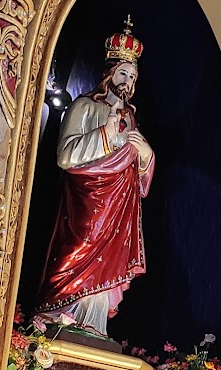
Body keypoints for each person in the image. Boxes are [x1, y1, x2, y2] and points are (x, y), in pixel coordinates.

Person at [35, 20, 155, 335]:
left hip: (118, 209)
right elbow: (65, 156)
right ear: (109, 73)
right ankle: (64, 316)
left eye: (132, 76)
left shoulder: (131, 119)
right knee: (78, 252)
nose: (127, 82)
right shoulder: (84, 107)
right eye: (123, 74)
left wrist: (145, 158)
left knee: (108, 265)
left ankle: (95, 326)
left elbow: (137, 176)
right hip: (86, 203)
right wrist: (105, 134)